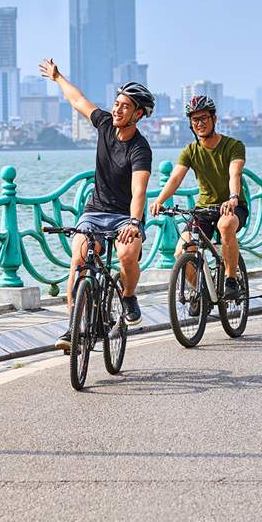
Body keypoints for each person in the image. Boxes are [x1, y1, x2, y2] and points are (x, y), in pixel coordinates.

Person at [36, 58, 154, 351]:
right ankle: (72, 329)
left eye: (125, 106)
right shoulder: (104, 124)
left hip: (125, 216)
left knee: (127, 255)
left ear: (137, 114)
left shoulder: (140, 149)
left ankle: (127, 296)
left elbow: (139, 191)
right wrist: (57, 76)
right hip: (95, 211)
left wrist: (134, 222)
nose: (117, 109)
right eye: (116, 103)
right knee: (79, 260)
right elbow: (78, 100)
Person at [150, 93, 248, 299]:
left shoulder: (233, 146)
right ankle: (201, 291)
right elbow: (175, 179)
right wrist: (159, 200)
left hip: (232, 205)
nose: (200, 123)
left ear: (214, 118)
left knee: (225, 225)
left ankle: (231, 280)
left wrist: (233, 197)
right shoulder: (190, 151)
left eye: (204, 118)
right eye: (195, 120)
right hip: (204, 208)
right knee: (181, 251)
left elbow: (235, 173)